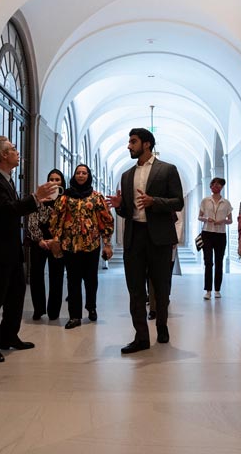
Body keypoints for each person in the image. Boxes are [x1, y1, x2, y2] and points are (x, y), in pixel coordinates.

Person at [0, 136, 57, 362]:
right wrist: (35, 198)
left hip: (10, 251)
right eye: (13, 148)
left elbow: (11, 209)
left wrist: (35, 200)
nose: (17, 151)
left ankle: (8, 336)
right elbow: (6, 211)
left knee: (16, 296)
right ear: (3, 155)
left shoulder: (7, 180)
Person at [107, 128, 184, 353]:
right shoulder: (126, 175)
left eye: (133, 141)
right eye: (129, 142)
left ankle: (162, 326)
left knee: (161, 286)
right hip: (135, 236)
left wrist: (154, 202)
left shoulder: (167, 169)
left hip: (159, 237)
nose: (129, 146)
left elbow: (178, 202)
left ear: (147, 144)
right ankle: (141, 337)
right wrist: (119, 206)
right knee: (135, 289)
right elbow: (127, 211)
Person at [50, 164, 114, 329]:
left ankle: (91, 306)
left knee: (91, 280)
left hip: (91, 245)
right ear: (74, 175)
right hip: (70, 245)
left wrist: (107, 243)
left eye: (84, 173)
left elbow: (106, 220)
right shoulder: (65, 197)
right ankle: (75, 316)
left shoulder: (96, 197)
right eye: (78, 173)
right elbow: (57, 219)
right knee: (73, 281)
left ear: (88, 176)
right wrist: (56, 239)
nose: (80, 175)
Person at [27, 169, 67, 321]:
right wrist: (39, 239)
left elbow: (67, 223)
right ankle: (38, 309)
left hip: (57, 241)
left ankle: (54, 311)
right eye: (51, 179)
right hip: (39, 241)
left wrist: (56, 239)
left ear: (62, 182)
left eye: (57, 179)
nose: (54, 182)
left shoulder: (65, 200)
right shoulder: (40, 196)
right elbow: (32, 218)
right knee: (36, 274)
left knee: (56, 276)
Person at [198, 177, 233, 299]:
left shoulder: (226, 202)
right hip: (207, 233)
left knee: (219, 262)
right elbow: (199, 217)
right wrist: (207, 219)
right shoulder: (205, 201)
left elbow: (230, 220)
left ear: (222, 187)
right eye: (213, 185)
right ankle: (208, 290)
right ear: (210, 186)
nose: (215, 187)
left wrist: (223, 221)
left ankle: (217, 290)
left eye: (218, 185)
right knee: (208, 262)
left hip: (220, 234)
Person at [148, 211, 182, 320]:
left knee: (165, 276)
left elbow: (178, 222)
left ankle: (163, 302)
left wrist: (174, 239)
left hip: (167, 243)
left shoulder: (171, 207)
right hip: (151, 242)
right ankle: (153, 308)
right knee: (151, 276)